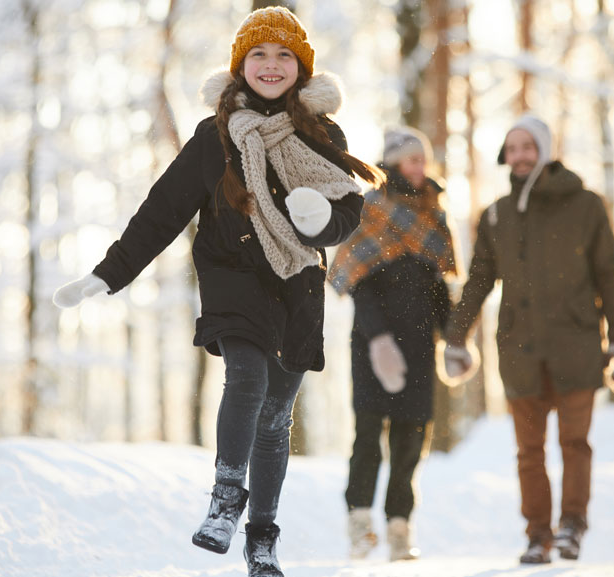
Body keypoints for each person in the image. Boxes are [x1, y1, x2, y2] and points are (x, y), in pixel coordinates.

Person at [52, 7, 384, 577]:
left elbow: (347, 211)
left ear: (301, 69)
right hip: (232, 275)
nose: (271, 65)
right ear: (240, 66)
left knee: (277, 414)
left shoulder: (321, 133)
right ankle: (227, 498)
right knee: (247, 374)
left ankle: (262, 540)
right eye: (259, 54)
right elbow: (163, 211)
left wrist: (318, 225)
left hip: (298, 281)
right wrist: (109, 273)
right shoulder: (215, 137)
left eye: (284, 55)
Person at [442, 114, 614, 564]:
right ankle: (537, 535)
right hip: (520, 351)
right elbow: (479, 281)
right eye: (514, 147)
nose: (520, 155)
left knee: (574, 444)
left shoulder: (586, 205)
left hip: (578, 347)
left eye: (529, 146)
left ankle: (571, 527)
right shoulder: (497, 214)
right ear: (506, 155)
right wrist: (455, 337)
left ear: (543, 151)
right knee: (528, 451)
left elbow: (609, 274)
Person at [328, 127, 457, 561]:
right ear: (393, 163)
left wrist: (454, 339)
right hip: (372, 343)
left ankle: (400, 527)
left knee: (410, 441)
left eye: (423, 159)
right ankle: (359, 524)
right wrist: (380, 340)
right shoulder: (370, 209)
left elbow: (440, 288)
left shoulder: (434, 213)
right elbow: (357, 283)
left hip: (421, 345)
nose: (420, 168)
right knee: (368, 438)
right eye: (411, 160)